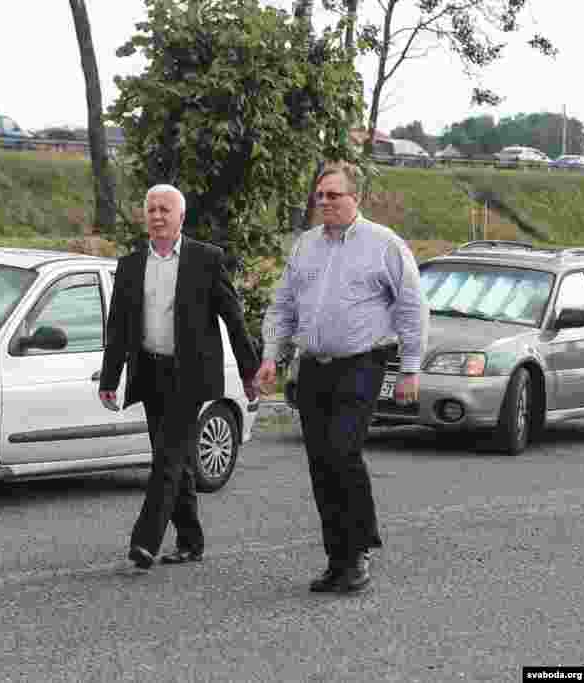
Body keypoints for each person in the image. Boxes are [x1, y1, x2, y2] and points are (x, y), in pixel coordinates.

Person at [257, 163, 428, 593]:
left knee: (342, 453)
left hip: (362, 364)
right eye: (320, 196)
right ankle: (337, 558)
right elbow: (283, 307)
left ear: (356, 199)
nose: (326, 202)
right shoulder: (305, 247)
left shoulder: (384, 245)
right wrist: (271, 357)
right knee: (320, 462)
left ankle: (359, 551)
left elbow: (411, 307)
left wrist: (410, 367)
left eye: (335, 195)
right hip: (314, 366)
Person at [99, 184, 260, 570]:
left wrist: (249, 372)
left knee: (167, 461)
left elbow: (234, 319)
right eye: (151, 209)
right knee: (174, 459)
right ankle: (190, 539)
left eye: (165, 209)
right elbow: (119, 327)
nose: (157, 216)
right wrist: (110, 378)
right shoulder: (131, 265)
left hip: (190, 376)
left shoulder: (206, 260)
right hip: (150, 372)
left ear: (181, 217)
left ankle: (145, 541)